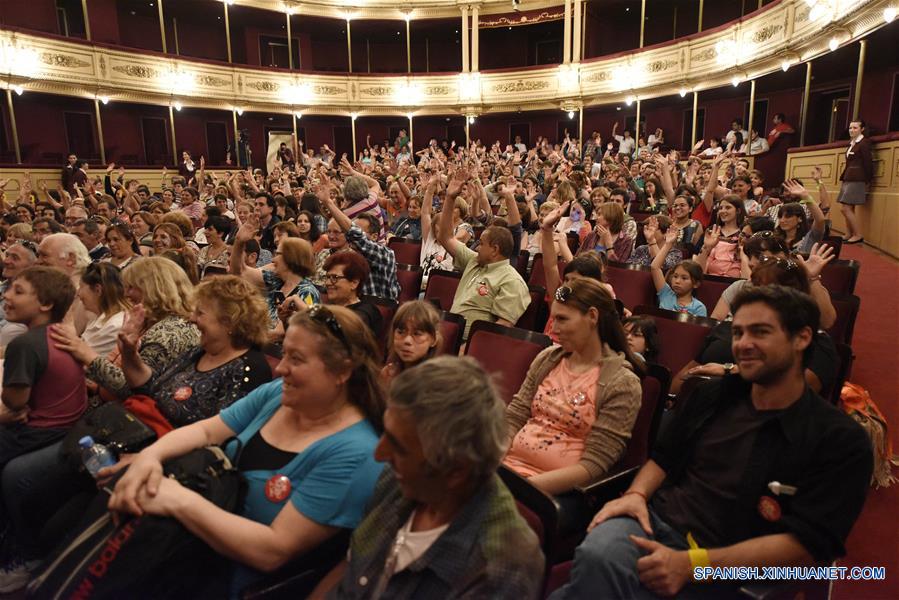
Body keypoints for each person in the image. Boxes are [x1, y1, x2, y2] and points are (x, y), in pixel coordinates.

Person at [552, 286, 872, 599]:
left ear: (802, 338)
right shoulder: (713, 395)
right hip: (659, 524)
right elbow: (664, 458)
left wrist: (693, 565)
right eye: (738, 333)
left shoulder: (839, 440)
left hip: (731, 564)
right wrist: (637, 494)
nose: (743, 344)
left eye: (760, 332)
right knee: (599, 553)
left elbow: (806, 546)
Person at [107, 306, 385, 595]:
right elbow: (207, 431)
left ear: (342, 371)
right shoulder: (279, 394)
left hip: (231, 584)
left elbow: (272, 550)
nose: (281, 368)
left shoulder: (357, 454)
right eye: (284, 354)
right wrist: (150, 457)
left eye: (297, 359)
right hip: (189, 553)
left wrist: (178, 500)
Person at [317, 356, 544, 599]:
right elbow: (352, 567)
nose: (379, 454)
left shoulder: (499, 569)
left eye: (398, 447)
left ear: (455, 471)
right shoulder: (400, 481)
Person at [504, 278, 643, 509]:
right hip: (509, 473)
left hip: (556, 494)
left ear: (592, 316)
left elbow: (594, 466)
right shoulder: (547, 359)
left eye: (562, 319)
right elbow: (514, 418)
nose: (554, 329)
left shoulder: (622, 383)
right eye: (553, 319)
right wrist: (492, 465)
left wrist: (520, 488)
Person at [0, 266, 87, 587]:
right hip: (64, 429)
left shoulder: (24, 344)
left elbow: (16, 401)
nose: (7, 296)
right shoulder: (61, 334)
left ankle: (19, 551)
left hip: (39, 433)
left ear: (46, 304)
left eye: (18, 291)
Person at [675, 257, 839, 397]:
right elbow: (691, 369)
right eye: (753, 283)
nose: (752, 290)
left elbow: (795, 389)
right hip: (701, 405)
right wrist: (668, 399)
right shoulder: (731, 326)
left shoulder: (813, 341)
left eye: (763, 286)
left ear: (790, 292)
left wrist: (729, 370)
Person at [50, 257, 200, 401]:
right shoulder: (159, 322)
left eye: (131, 287)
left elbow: (133, 388)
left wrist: (86, 354)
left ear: (153, 289)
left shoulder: (168, 333)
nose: (126, 294)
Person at [438, 171, 530, 338]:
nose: (477, 248)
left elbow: (501, 328)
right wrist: (450, 198)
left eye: (481, 244)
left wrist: (468, 347)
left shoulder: (512, 281)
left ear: (495, 249)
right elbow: (445, 238)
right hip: (448, 334)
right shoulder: (474, 260)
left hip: (469, 344)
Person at [317, 177, 401, 302]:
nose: (351, 237)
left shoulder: (385, 254)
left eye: (360, 231)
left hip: (378, 309)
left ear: (374, 236)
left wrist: (328, 203)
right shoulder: (351, 255)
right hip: (353, 307)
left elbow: (356, 235)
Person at [230, 221, 319, 328]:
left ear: (290, 257)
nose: (273, 259)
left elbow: (280, 333)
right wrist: (239, 242)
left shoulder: (307, 291)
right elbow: (239, 272)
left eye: (277, 254)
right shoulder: (275, 281)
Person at [381, 300, 443, 388]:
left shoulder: (437, 382)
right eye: (401, 332)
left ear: (434, 340)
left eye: (417, 334)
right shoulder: (388, 373)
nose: (407, 340)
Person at [77, 262, 130, 356]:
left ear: (98, 290)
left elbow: (82, 358)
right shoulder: (97, 318)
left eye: (81, 287)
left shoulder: (115, 326)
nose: (78, 293)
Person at [650, 229, 706, 317]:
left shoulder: (698, 308)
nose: (677, 281)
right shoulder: (666, 293)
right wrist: (668, 244)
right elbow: (655, 267)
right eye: (675, 276)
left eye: (684, 278)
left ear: (696, 284)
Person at [836, 120, 873, 244]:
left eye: (855, 128)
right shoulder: (852, 143)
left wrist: (868, 179)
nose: (852, 130)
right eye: (850, 128)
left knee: (845, 208)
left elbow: (868, 162)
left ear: (862, 129)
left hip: (857, 178)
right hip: (848, 178)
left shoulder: (864, 143)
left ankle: (858, 235)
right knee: (848, 208)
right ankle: (848, 233)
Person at [695, 196, 745, 277]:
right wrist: (706, 247)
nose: (722, 211)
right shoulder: (712, 230)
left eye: (728, 207)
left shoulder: (744, 233)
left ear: (738, 211)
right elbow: (696, 257)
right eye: (720, 208)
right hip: (709, 276)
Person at [0, 241, 36, 348]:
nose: (6, 261)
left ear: (32, 265)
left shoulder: (32, 299)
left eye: (15, 258)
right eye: (7, 255)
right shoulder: (3, 287)